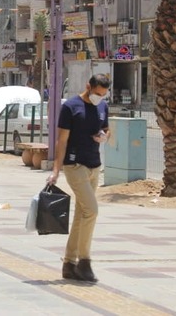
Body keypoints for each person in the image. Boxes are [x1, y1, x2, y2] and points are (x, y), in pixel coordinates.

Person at [47, 74, 111, 282]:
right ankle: (84, 261)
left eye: (103, 94)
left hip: (94, 164)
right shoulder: (71, 107)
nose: (99, 97)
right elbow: (61, 141)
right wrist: (56, 170)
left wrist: (104, 136)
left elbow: (107, 130)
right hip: (75, 165)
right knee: (91, 211)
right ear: (88, 87)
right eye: (97, 93)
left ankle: (69, 263)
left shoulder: (103, 107)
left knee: (81, 214)